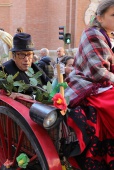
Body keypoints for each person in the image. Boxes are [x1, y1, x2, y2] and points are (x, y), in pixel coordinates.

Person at [64, 1, 114, 169]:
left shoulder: (107, 35)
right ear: (99, 17)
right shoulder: (92, 34)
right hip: (87, 84)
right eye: (113, 15)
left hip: (103, 83)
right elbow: (98, 72)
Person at [2, 33, 49, 99]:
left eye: (29, 54)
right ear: (13, 56)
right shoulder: (3, 71)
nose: (26, 59)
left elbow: (50, 92)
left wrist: (31, 97)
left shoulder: (36, 70)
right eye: (21, 54)